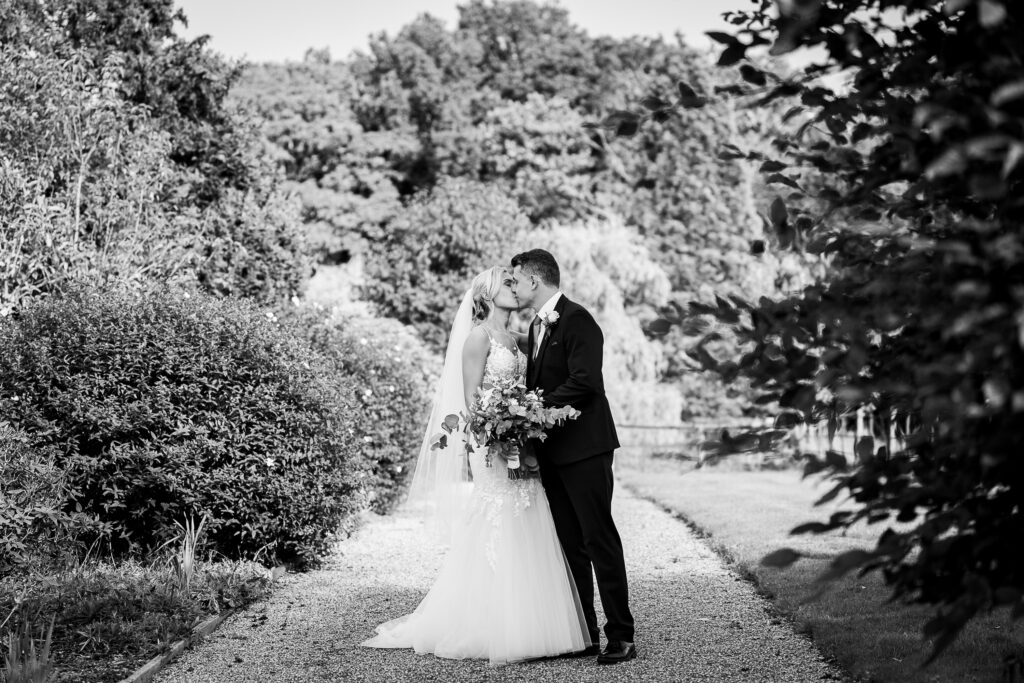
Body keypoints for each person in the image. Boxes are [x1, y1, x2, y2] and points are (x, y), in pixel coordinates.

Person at [361, 266, 591, 665]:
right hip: (493, 446)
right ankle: (490, 624)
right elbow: (471, 401)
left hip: (522, 441)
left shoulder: (521, 338)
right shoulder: (477, 338)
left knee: (531, 516)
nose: (514, 288)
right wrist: (499, 440)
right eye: (507, 283)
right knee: (498, 518)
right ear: (486, 295)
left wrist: (526, 430)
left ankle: (535, 623)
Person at [510, 248, 637, 665]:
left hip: (585, 449)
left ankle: (621, 635)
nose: (513, 286)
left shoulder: (579, 319)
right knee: (570, 545)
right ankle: (584, 632)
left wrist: (531, 409)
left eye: (516, 279)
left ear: (534, 280)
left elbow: (585, 383)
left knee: (598, 538)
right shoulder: (536, 324)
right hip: (553, 454)